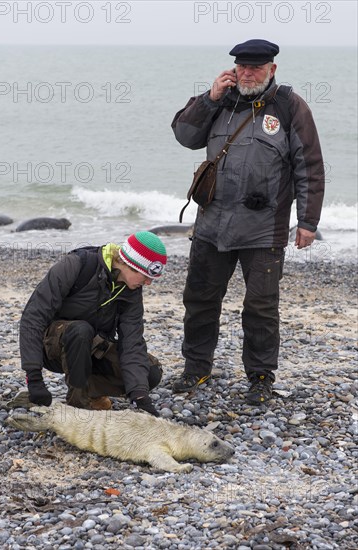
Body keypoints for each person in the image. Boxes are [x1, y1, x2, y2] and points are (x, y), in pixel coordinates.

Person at [171, 39, 325, 405]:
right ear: (233, 69)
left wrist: (308, 221)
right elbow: (184, 136)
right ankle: (196, 369)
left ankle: (259, 376)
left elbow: (310, 167)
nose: (248, 73)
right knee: (200, 300)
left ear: (272, 69)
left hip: (263, 229)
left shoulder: (289, 106)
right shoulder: (216, 102)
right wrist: (208, 98)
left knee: (260, 306)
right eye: (243, 67)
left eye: (256, 67)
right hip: (211, 225)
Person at [20, 231, 167, 416]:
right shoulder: (76, 265)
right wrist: (34, 378)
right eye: (146, 276)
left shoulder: (131, 292)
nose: (149, 283)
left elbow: (132, 342)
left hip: (92, 349)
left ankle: (87, 390)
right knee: (81, 330)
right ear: (129, 264)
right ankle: (78, 407)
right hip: (52, 348)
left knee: (151, 373)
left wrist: (140, 397)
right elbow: (33, 317)